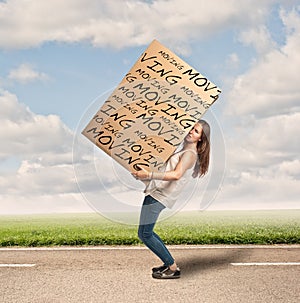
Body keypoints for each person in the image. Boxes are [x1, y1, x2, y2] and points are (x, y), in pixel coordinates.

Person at [131, 119, 211, 279]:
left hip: (159, 196)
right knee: (146, 232)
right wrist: (143, 177)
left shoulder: (189, 154)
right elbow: (166, 172)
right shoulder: (182, 151)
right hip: (157, 193)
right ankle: (168, 262)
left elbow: (176, 175)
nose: (191, 132)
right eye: (191, 128)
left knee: (145, 234)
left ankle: (173, 268)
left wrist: (148, 175)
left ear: (201, 138)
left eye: (196, 131)